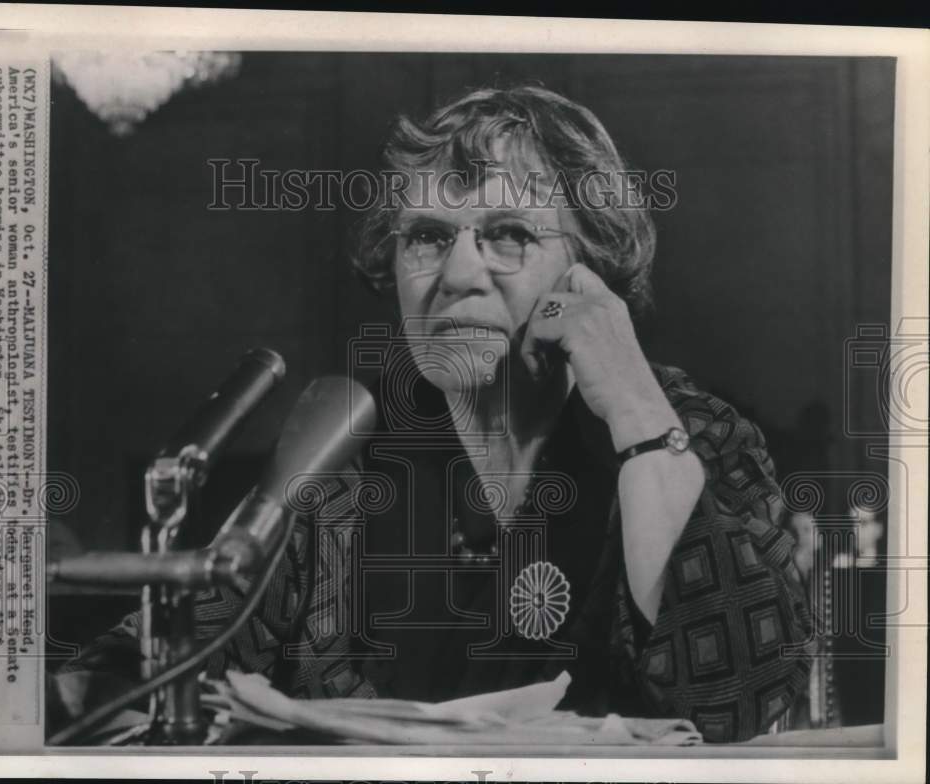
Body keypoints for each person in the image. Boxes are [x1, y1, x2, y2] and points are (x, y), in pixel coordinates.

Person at [55, 85, 812, 743]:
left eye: (508, 235)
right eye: (426, 237)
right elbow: (142, 671)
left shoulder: (693, 433)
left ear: (593, 268)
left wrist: (640, 411)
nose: (455, 274)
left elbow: (737, 705)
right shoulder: (346, 453)